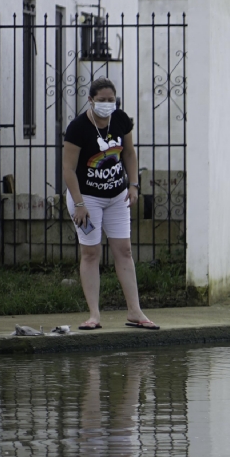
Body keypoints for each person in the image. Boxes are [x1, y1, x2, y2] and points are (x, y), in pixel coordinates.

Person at [62, 78, 159, 331]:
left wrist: (134, 184)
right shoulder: (77, 128)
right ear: (91, 100)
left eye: (111, 100)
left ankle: (135, 312)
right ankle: (94, 315)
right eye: (102, 100)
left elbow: (128, 153)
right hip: (86, 198)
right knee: (91, 253)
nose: (107, 104)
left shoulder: (121, 120)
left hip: (116, 196)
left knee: (124, 251)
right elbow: (68, 170)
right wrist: (80, 204)